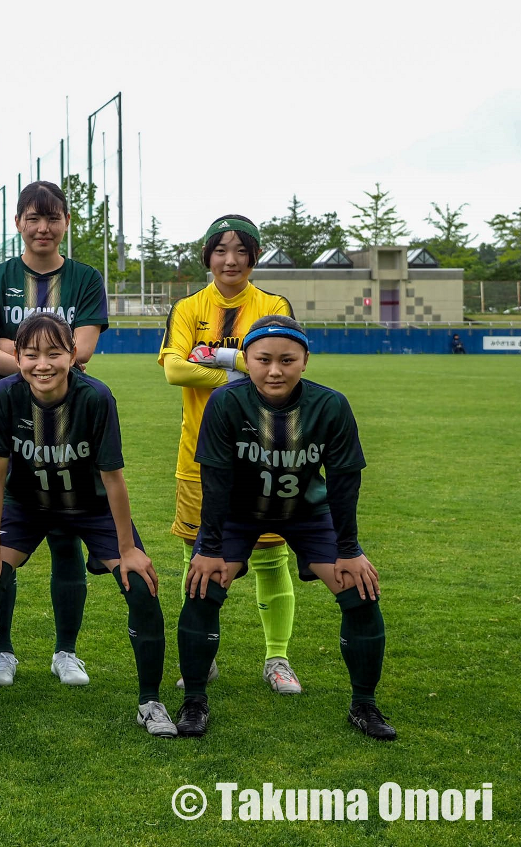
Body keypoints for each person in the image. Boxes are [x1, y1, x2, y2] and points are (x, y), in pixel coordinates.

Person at [174, 316, 394, 740]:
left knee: (360, 590)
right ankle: (195, 700)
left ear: (305, 361)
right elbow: (216, 479)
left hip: (307, 511)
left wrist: (348, 548)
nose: (275, 370)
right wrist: (211, 545)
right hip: (240, 512)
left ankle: (364, 704)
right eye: (264, 359)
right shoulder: (225, 401)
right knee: (203, 585)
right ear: (248, 360)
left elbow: (345, 482)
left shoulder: (330, 405)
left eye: (287, 360)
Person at [0, 314, 173, 736]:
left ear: (73, 355)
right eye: (31, 354)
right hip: (27, 504)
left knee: (141, 585)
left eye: (54, 353)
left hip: (88, 504)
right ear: (15, 356)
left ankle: (151, 700)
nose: (43, 364)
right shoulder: (4, 395)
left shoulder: (95, 397)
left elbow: (113, 478)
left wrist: (128, 548)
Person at [0, 180, 107, 688]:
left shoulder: (86, 279)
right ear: (18, 224)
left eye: (52, 218)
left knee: (67, 541)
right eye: (32, 218)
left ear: (66, 222)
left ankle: (65, 651)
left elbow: (83, 351)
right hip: (7, 423)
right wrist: (44, 364)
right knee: (2, 541)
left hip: (72, 427)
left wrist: (16, 347)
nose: (42, 228)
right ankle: (2, 649)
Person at [158, 214, 303, 695]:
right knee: (196, 558)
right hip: (198, 455)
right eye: (221, 250)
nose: (231, 260)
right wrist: (239, 372)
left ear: (254, 257)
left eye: (241, 250)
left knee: (269, 558)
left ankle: (277, 659)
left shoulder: (273, 304)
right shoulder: (188, 307)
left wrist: (219, 357)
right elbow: (175, 371)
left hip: (264, 453)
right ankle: (203, 655)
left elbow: (280, 361)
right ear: (208, 256)